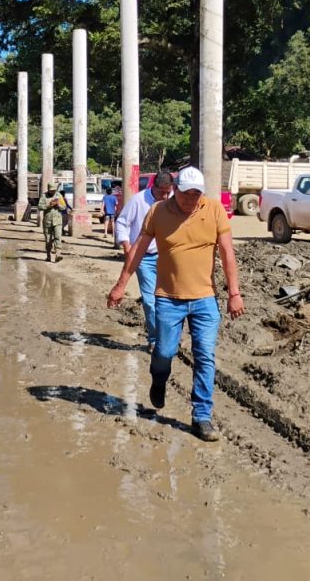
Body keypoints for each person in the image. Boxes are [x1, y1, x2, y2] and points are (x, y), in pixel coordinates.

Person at [107, 166, 244, 442]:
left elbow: (228, 252)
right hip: (168, 299)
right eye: (186, 194)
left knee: (205, 357)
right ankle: (159, 379)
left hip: (205, 299)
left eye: (196, 195)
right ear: (176, 190)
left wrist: (234, 293)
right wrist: (121, 285)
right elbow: (138, 250)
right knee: (164, 353)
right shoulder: (157, 212)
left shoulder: (214, 210)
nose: (191, 200)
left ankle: (201, 416)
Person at [113, 171, 175, 349]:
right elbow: (122, 223)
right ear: (153, 187)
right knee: (150, 300)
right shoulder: (138, 201)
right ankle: (156, 341)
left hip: (167, 256)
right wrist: (126, 246)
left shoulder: (173, 201)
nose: (164, 196)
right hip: (144, 257)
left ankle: (169, 334)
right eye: (161, 192)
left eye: (168, 192)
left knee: (170, 298)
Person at [37, 182, 67, 262]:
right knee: (48, 239)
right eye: (51, 190)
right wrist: (48, 205)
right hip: (47, 221)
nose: (53, 192)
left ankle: (58, 254)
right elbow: (39, 207)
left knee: (58, 237)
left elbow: (64, 207)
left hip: (57, 220)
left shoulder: (59, 195)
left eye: (54, 190)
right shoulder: (44, 196)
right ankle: (48, 256)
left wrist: (58, 205)